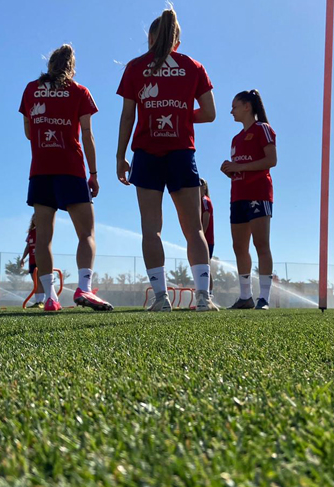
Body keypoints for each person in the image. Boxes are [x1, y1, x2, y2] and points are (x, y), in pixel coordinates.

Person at [116, 6, 218, 312]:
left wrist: (120, 156)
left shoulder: (135, 67)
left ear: (150, 38)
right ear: (178, 40)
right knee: (194, 229)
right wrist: (181, 114)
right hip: (181, 152)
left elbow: (128, 116)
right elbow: (210, 113)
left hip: (146, 154)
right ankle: (203, 297)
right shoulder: (193, 66)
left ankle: (161, 299)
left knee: (151, 229)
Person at [20, 44, 113, 312]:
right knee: (86, 233)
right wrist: (93, 174)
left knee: (43, 238)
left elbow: (28, 132)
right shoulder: (79, 91)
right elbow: (87, 134)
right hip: (71, 169)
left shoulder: (31, 89)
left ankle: (50, 297)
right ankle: (84, 288)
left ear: (49, 65)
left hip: (40, 170)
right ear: (71, 67)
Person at [221, 90, 277, 310]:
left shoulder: (263, 129)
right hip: (238, 196)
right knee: (239, 246)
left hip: (258, 193)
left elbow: (271, 160)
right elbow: (241, 167)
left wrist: (240, 166)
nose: (231, 111)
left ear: (247, 106)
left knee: (261, 244)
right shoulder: (236, 139)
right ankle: (245, 296)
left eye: (234, 106)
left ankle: (264, 298)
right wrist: (231, 170)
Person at [21, 214, 45, 309]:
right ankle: (37, 301)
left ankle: (41, 301)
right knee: (35, 282)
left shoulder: (43, 231)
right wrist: (23, 258)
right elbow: (28, 246)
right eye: (33, 218)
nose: (35, 219)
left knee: (40, 281)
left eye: (37, 217)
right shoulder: (31, 232)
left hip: (40, 259)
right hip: (32, 261)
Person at [200, 178, 214, 291]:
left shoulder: (205, 200)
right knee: (201, 266)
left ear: (204, 187)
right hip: (202, 239)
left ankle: (209, 293)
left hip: (207, 240)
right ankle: (204, 291)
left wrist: (201, 238)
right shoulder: (198, 201)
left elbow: (206, 221)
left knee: (206, 267)